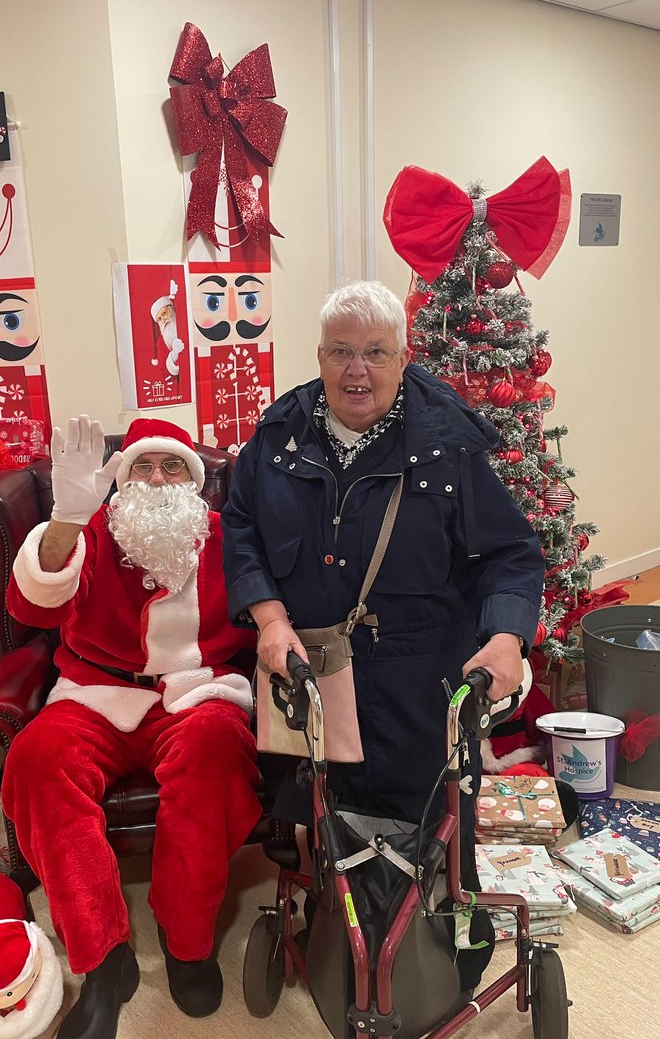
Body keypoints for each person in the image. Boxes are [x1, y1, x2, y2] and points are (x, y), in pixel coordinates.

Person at [221, 281, 544, 958]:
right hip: (312, 670)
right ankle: (347, 938)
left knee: (432, 815)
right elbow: (243, 527)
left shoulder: (448, 449)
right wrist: (270, 620)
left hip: (418, 674)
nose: (355, 370)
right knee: (325, 806)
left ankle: (450, 936)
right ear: (318, 356)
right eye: (340, 351)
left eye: (375, 353)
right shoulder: (275, 440)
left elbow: (511, 554)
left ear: (403, 359)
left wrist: (507, 638)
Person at [1, 415, 261, 1039]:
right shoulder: (91, 528)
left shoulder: (227, 540)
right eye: (142, 466)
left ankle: (188, 942)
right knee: (36, 759)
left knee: (215, 754)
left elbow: (270, 605)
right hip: (94, 693)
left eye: (171, 467)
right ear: (121, 480)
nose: (154, 478)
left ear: (195, 486)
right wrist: (64, 517)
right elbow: (31, 610)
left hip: (196, 693)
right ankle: (103, 961)